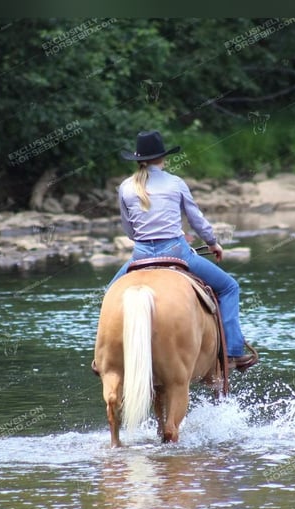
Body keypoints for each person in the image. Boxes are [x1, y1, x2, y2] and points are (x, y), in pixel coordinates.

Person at [109, 130, 258, 372]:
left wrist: (145, 242)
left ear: (138, 159)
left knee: (110, 295)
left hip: (141, 255)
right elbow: (196, 219)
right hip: (177, 252)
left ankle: (104, 357)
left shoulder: (126, 187)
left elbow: (128, 228)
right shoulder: (175, 183)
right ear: (163, 157)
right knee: (230, 287)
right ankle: (234, 352)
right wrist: (212, 242)